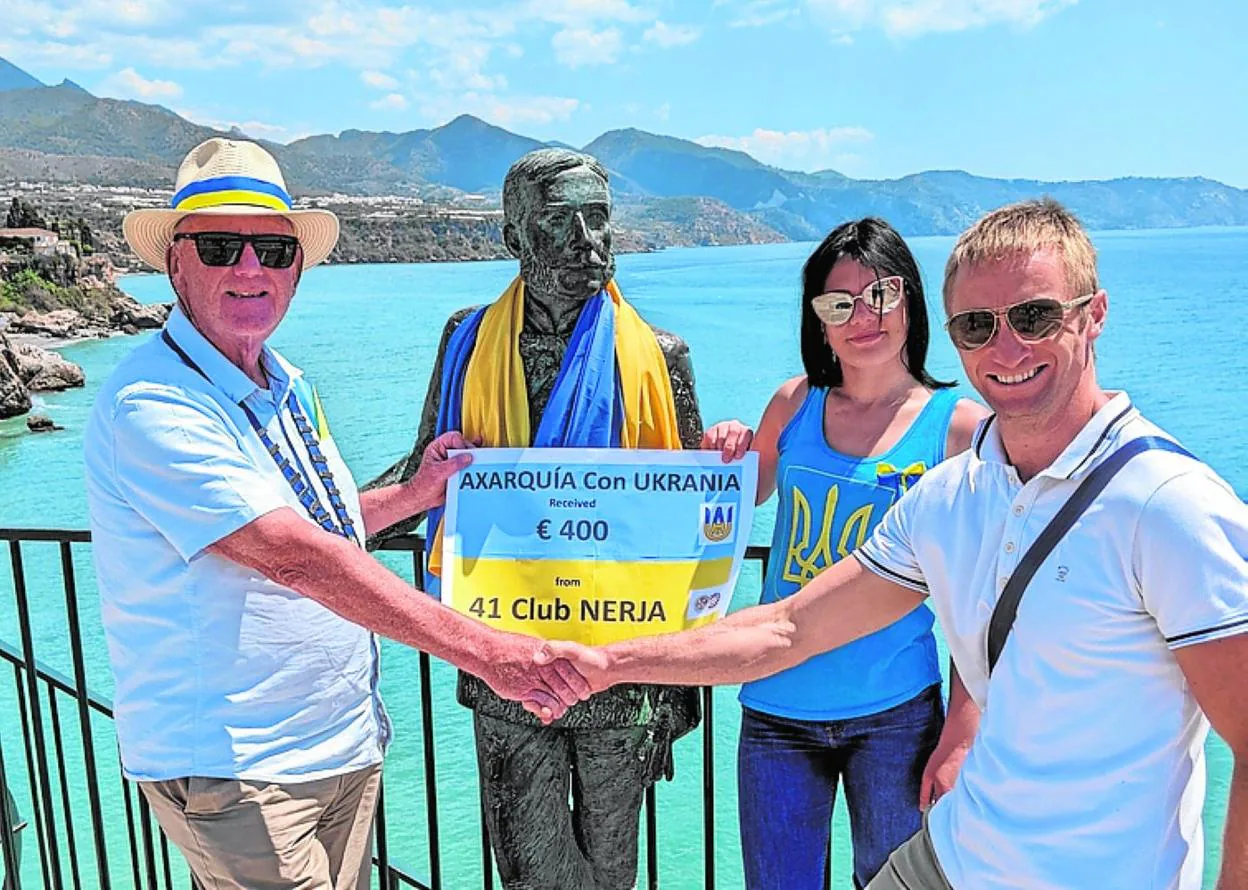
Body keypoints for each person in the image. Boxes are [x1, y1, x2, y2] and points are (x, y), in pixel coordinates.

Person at [547, 198, 1248, 889]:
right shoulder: (956, 491)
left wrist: (959, 729)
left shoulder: (1156, 501)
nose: (1006, 347)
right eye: (978, 325)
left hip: (915, 733)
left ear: (1093, 315)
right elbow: (783, 612)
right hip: (904, 814)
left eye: (1034, 316)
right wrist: (597, 655)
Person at [84, 138, 588, 890]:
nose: (250, 268)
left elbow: (317, 523)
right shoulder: (155, 403)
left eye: (274, 249)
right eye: (221, 246)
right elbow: (291, 553)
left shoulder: (281, 383)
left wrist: (416, 493)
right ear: (174, 263)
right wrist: (490, 653)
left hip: (336, 746)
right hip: (240, 766)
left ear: (296, 267)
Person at [370, 147, 703, 890]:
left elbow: (687, 533)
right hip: (503, 665)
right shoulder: (469, 342)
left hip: (619, 672)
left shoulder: (660, 357)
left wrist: (679, 692)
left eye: (601, 221)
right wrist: (331, 520)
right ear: (514, 238)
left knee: (612, 875)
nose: (591, 243)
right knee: (526, 874)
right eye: (561, 222)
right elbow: (427, 468)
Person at [701, 218, 984, 888]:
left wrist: (963, 731)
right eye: (839, 304)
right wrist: (726, 444)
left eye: (880, 295)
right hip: (776, 706)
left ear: (910, 300)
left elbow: (984, 594)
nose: (863, 317)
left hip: (896, 715)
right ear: (818, 319)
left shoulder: (960, 428)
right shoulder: (793, 403)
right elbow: (729, 504)